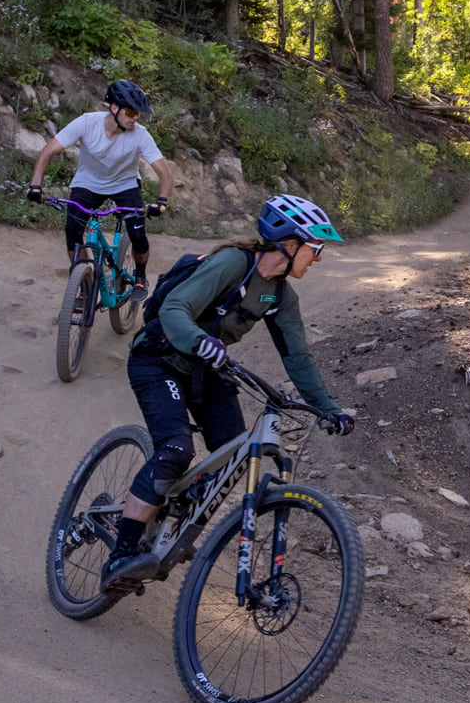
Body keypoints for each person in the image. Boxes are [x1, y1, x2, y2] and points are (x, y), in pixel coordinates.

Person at [100, 193, 355, 590]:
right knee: (176, 449)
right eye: (315, 248)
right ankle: (121, 553)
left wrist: (328, 409)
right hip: (159, 360)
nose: (318, 257)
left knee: (232, 456)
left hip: (208, 370)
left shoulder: (281, 296)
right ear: (290, 244)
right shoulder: (232, 263)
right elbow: (174, 310)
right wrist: (199, 339)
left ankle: (175, 516)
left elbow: (298, 358)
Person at [26, 80, 177, 282]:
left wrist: (161, 202)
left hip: (126, 185)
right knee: (73, 232)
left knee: (138, 236)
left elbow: (165, 174)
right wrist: (35, 186)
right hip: (87, 183)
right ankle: (83, 282)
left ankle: (140, 276)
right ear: (114, 108)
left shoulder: (140, 134)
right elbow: (48, 151)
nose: (136, 118)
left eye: (138, 114)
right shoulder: (87, 123)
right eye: (131, 112)